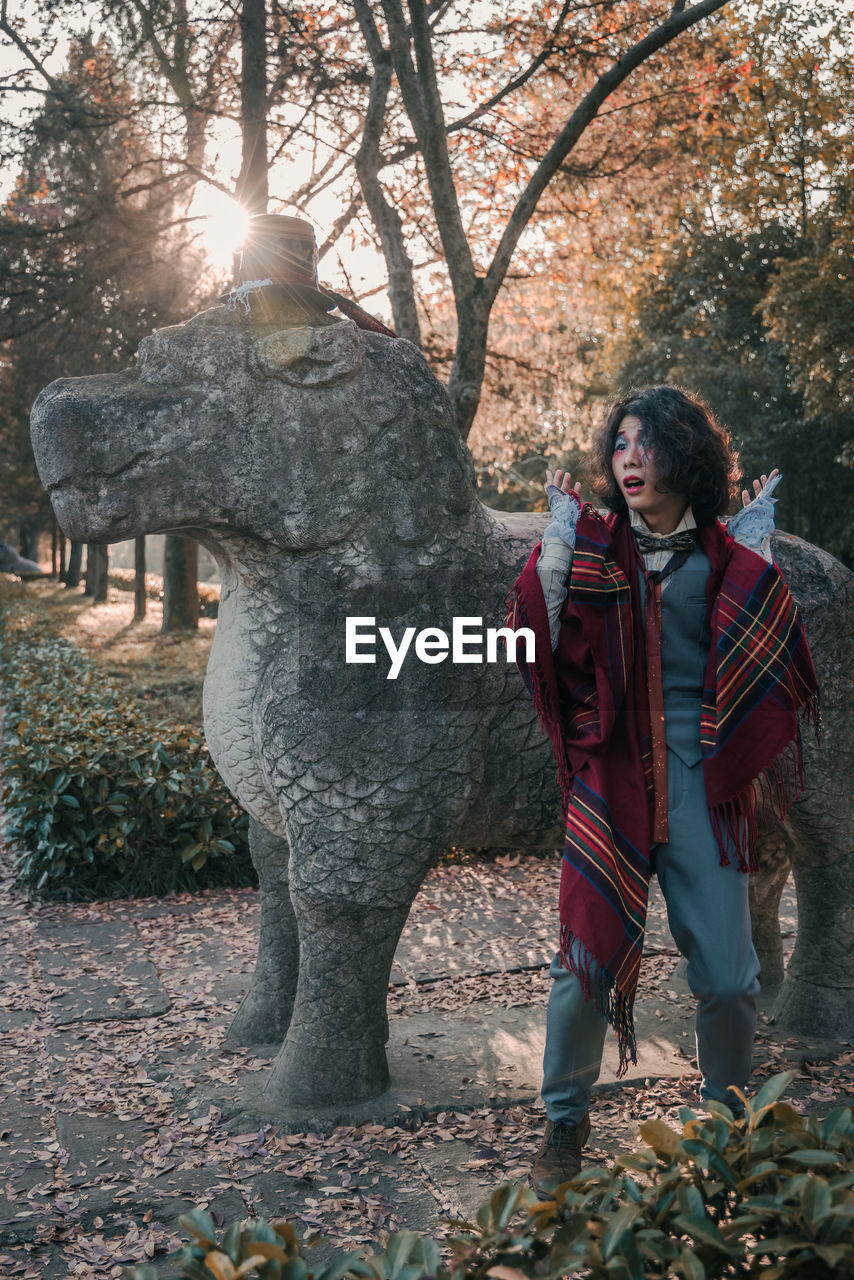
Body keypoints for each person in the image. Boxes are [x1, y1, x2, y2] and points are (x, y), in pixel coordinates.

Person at [504, 385, 819, 1195]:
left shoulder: (725, 552)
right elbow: (537, 636)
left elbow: (765, 653)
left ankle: (727, 1124)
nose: (631, 457)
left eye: (649, 442)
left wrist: (760, 564)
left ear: (687, 455)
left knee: (728, 975)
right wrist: (550, 560)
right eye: (621, 444)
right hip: (610, 771)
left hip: (700, 771)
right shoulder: (593, 542)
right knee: (583, 963)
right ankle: (564, 1121)